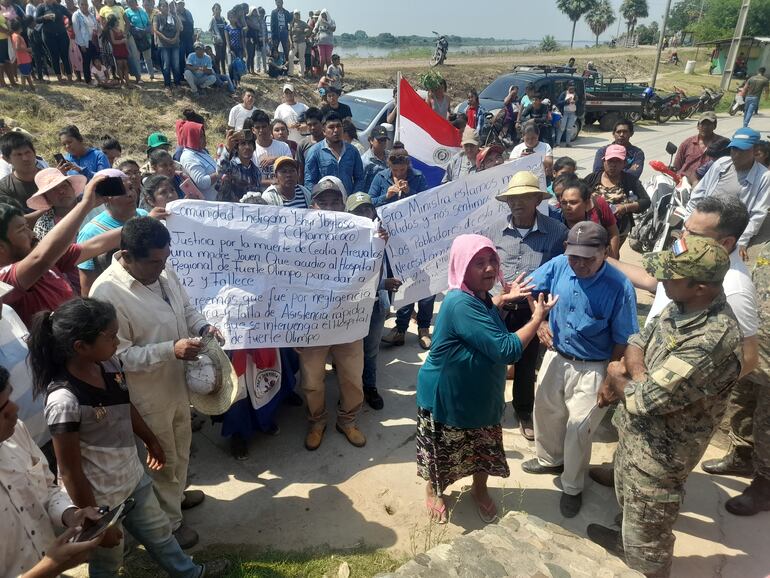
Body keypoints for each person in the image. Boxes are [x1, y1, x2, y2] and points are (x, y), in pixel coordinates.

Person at [28, 298, 229, 577]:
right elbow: (70, 471)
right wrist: (94, 524)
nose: (116, 342)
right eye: (111, 337)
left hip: (133, 478)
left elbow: (125, 405)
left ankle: (191, 573)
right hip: (99, 500)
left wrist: (150, 439)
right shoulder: (64, 401)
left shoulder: (109, 364)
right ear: (81, 347)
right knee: (108, 561)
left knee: (161, 535)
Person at [588, 236, 741, 578]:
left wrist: (618, 376)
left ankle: (643, 564)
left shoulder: (710, 340)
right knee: (629, 507)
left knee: (650, 542)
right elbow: (638, 339)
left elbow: (646, 400)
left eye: (671, 275)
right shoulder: (682, 303)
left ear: (701, 287)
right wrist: (635, 372)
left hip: (661, 457)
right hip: (636, 438)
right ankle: (626, 542)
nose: (662, 280)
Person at [89, 217, 222, 550]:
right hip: (145, 396)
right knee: (160, 458)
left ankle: (175, 499)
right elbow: (116, 357)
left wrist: (204, 327)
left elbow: (187, 309)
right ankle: (169, 526)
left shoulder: (163, 270)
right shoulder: (107, 293)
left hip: (178, 383)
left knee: (181, 446)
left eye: (165, 258)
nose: (161, 267)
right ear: (127, 256)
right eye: (153, 261)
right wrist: (170, 350)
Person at [416, 234, 558, 523]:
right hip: (448, 396)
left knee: (482, 448)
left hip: (482, 395)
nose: (490, 268)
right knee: (442, 452)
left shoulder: (478, 298)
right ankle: (434, 490)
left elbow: (486, 316)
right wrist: (537, 318)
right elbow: (506, 349)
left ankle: (479, 490)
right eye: (478, 263)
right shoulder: (459, 303)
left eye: (492, 259)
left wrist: (502, 302)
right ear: (461, 267)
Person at [523, 221, 638, 518]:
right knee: (546, 410)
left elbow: (624, 337)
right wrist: (542, 323)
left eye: (589, 257)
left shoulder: (619, 285)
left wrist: (611, 377)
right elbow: (528, 288)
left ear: (604, 252)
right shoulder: (560, 264)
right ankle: (550, 460)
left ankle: (572, 486)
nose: (580, 264)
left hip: (595, 365)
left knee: (579, 427)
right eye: (575, 256)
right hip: (556, 355)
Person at [0, 365, 107, 578]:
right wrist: (50, 567)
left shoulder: (16, 433)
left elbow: (47, 489)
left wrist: (71, 514)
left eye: (9, 399)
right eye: (2, 409)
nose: (14, 409)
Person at [490, 171, 567, 440]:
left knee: (525, 364)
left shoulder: (557, 233)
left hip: (532, 310)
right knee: (492, 360)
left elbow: (559, 277)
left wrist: (544, 317)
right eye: (512, 198)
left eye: (524, 197)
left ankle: (523, 411)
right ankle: (491, 408)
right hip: (497, 307)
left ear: (537, 199)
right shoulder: (494, 230)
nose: (517, 203)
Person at [298, 177, 368, 451]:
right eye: (322, 202)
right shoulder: (296, 236)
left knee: (352, 377)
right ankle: (317, 421)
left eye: (334, 201)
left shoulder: (361, 234)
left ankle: (347, 420)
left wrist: (378, 241)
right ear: (312, 206)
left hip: (348, 321)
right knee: (312, 381)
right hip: (312, 324)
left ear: (343, 204)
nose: (329, 207)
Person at [0, 174, 122, 326]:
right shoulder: (5, 281)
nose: (32, 233)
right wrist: (84, 205)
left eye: (27, 227)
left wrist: (138, 225)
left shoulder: (47, 260)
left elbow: (94, 246)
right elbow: (41, 258)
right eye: (21, 230)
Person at [705, 241, 770, 516]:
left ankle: (765, 484)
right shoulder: (765, 249)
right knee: (742, 404)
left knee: (768, 420)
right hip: (752, 345)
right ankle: (742, 456)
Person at [687, 128, 770, 261]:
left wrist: (742, 241)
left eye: (742, 151)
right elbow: (699, 193)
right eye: (733, 149)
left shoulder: (764, 177)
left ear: (754, 151)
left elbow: (758, 214)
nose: (736, 155)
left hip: (726, 232)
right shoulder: (721, 164)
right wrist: (688, 221)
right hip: (702, 222)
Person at [76, 168, 153, 296]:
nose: (130, 194)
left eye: (131, 188)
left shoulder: (144, 215)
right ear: (106, 197)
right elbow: (87, 286)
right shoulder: (91, 232)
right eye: (121, 191)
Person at [584, 144, 650, 240]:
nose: (613, 165)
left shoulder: (630, 180)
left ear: (624, 164)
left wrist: (626, 207)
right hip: (592, 229)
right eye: (610, 161)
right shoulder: (591, 178)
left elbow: (646, 201)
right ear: (604, 161)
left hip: (619, 230)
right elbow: (579, 196)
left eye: (618, 161)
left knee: (612, 253)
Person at [558, 176, 620, 258]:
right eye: (564, 202)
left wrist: (612, 260)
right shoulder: (556, 217)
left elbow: (613, 233)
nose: (567, 207)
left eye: (573, 202)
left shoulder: (599, 205)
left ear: (586, 203)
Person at [304, 111, 364, 195]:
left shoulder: (352, 151)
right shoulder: (315, 152)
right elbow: (309, 181)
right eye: (331, 127)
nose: (336, 130)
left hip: (348, 203)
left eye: (339, 126)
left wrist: (353, 198)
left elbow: (360, 178)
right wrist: (318, 201)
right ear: (324, 131)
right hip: (325, 204)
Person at [28, 167, 82, 243]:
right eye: (53, 190)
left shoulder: (92, 208)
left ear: (72, 187)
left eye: (64, 186)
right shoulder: (43, 224)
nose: (61, 191)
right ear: (46, 198)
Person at [671, 111, 725, 184]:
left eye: (708, 124)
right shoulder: (687, 143)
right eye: (702, 124)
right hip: (684, 183)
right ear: (698, 126)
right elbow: (676, 167)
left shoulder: (722, 144)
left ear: (714, 126)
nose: (705, 127)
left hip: (708, 186)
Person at [177, 118, 219, 201]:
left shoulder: (202, 151)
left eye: (204, 135)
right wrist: (219, 174)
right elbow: (202, 182)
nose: (204, 138)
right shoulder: (188, 157)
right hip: (208, 206)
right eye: (200, 136)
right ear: (192, 138)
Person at [0, 130, 42, 207]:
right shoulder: (4, 188)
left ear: (34, 152)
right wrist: (48, 207)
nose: (25, 158)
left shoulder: (50, 176)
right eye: (18, 155)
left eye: (27, 152)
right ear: (6, 159)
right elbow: (12, 219)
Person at [217, 128, 261, 202]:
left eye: (250, 143)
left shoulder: (256, 171)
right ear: (237, 148)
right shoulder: (230, 166)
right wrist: (228, 148)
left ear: (254, 148)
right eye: (243, 144)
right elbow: (220, 171)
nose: (247, 147)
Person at [250, 109, 291, 187]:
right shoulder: (251, 150)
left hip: (282, 193)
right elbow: (251, 179)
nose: (261, 130)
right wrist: (272, 182)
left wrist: (275, 159)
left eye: (264, 126)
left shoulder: (283, 146)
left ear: (269, 127)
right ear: (253, 130)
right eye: (257, 127)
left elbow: (291, 164)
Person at [35, 0, 71, 82]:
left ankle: (69, 77)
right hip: (49, 35)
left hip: (62, 34)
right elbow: (36, 19)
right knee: (54, 56)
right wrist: (44, 17)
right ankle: (59, 78)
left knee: (65, 55)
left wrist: (69, 25)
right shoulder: (41, 7)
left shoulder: (59, 6)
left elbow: (69, 15)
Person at [152, 0, 181, 95]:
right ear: (159, 7)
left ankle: (177, 83)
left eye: (166, 6)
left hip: (175, 44)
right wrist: (166, 39)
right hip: (163, 45)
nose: (165, 8)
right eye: (162, 6)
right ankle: (167, 85)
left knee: (176, 65)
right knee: (166, 65)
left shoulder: (173, 16)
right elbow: (155, 30)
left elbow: (178, 29)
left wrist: (175, 38)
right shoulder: (157, 17)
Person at [124, 0, 154, 81]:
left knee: (148, 57)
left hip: (146, 37)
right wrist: (139, 30)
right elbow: (128, 24)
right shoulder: (126, 12)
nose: (131, 2)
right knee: (136, 57)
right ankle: (139, 77)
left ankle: (151, 75)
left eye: (132, 1)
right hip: (134, 38)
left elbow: (149, 23)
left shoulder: (142, 11)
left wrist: (147, 30)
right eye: (129, 1)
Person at [296, 106, 323, 181]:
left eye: (315, 124)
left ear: (322, 123)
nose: (313, 127)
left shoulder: (329, 141)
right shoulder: (303, 144)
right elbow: (300, 170)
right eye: (309, 125)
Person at [361, 125, 389, 192]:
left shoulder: (390, 156)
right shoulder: (365, 161)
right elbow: (361, 184)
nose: (382, 143)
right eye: (379, 140)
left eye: (384, 140)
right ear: (371, 140)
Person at [10, 18, 34, 91]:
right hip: (23, 59)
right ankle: (23, 88)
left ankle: (32, 87)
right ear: (19, 28)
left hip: (22, 58)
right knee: (24, 75)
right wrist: (28, 50)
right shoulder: (17, 36)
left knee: (26, 73)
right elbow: (17, 48)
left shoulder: (13, 35)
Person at [555, 82, 578, 147]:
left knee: (569, 128)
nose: (572, 89)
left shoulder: (575, 94)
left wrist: (575, 101)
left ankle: (568, 143)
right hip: (564, 113)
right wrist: (566, 101)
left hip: (572, 113)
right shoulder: (564, 94)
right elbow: (558, 103)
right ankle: (557, 143)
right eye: (570, 88)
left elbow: (578, 102)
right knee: (562, 128)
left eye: (573, 88)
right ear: (567, 87)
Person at [289, 8, 308, 77]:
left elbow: (310, 29)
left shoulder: (303, 23)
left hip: (302, 42)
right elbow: (289, 34)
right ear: (294, 15)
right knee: (291, 56)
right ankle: (291, 73)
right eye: (295, 14)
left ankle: (301, 73)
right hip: (294, 42)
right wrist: (291, 43)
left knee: (301, 58)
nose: (297, 16)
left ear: (299, 15)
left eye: (298, 14)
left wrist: (306, 35)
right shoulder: (291, 23)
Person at [208, 2, 226, 75]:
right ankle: (218, 73)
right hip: (217, 42)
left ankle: (224, 73)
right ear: (213, 10)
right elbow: (209, 31)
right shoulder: (213, 19)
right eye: (216, 9)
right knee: (218, 58)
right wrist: (215, 36)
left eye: (219, 9)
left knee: (223, 58)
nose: (218, 10)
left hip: (224, 41)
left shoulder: (223, 19)